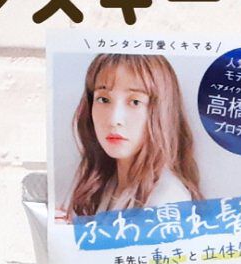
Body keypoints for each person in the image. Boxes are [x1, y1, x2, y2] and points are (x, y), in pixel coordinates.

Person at [57, 53, 204, 221]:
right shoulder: (107, 182)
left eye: (135, 102)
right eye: (103, 99)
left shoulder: (166, 200)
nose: (114, 120)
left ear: (162, 112)